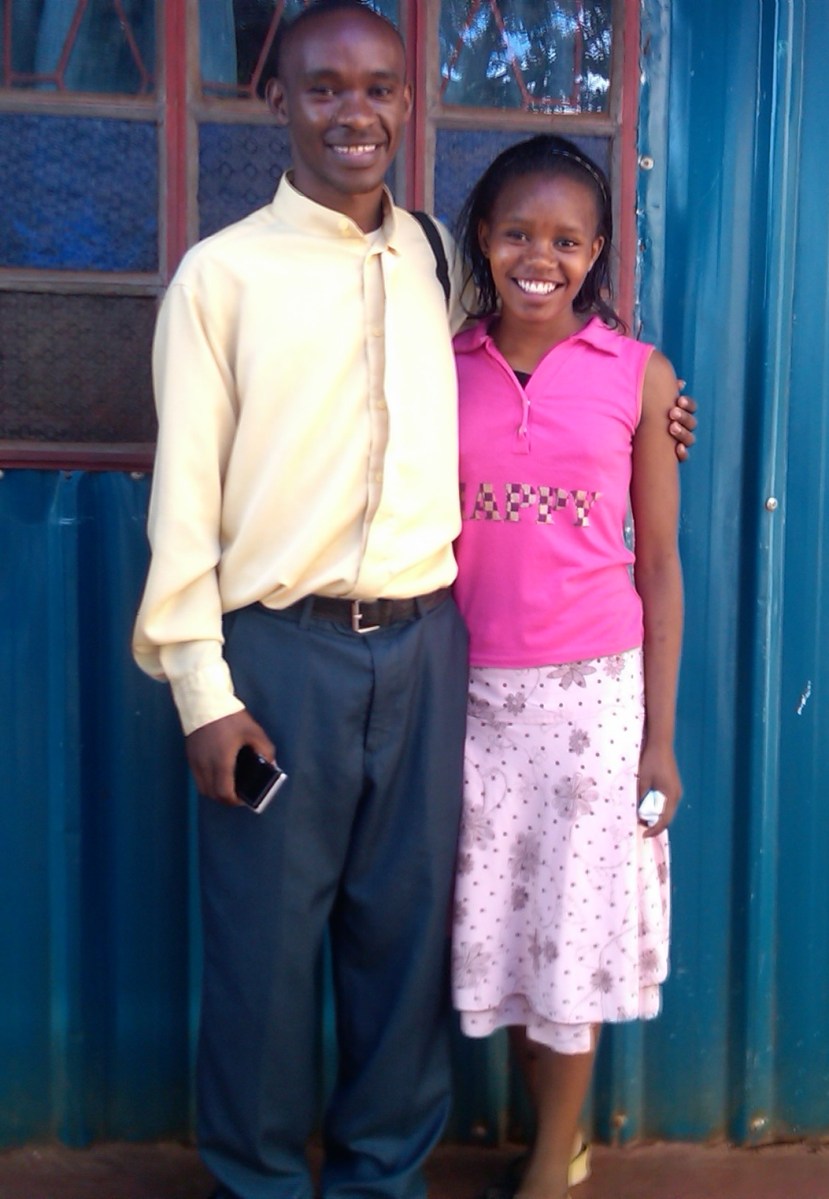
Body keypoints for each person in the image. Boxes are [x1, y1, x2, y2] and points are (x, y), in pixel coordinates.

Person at [131, 4, 696, 1197]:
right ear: (277, 99)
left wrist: (656, 406)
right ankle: (261, 1177)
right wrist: (201, 691)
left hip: (433, 650)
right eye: (325, 87)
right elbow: (181, 503)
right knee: (265, 945)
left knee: (402, 935)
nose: (357, 112)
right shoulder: (222, 278)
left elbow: (544, 335)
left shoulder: (436, 259)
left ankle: (382, 1172)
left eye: (380, 87)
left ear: (407, 102)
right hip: (281, 653)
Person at [450, 134, 684, 1199]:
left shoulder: (637, 375)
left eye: (564, 240)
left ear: (593, 254)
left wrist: (660, 739)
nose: (537, 257)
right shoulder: (443, 367)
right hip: (468, 694)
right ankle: (549, 1134)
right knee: (502, 923)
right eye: (515, 234)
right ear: (482, 239)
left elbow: (660, 564)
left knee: (571, 932)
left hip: (593, 699)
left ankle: (551, 1159)